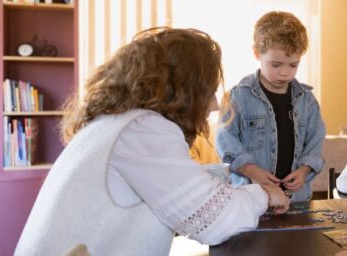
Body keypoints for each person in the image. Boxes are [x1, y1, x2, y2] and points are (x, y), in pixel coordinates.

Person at [15, 27, 290, 255]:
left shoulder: (117, 124)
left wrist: (226, 177)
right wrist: (264, 195)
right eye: (207, 92)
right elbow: (215, 220)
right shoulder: (144, 129)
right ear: (182, 90)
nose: (215, 105)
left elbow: (165, 183)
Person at [217, 11, 325, 203]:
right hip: (249, 198)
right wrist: (250, 170)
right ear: (257, 53)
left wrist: (304, 170)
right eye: (276, 64)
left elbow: (315, 142)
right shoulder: (238, 96)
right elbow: (225, 140)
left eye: (293, 65)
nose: (284, 73)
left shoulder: (307, 100)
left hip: (296, 199)